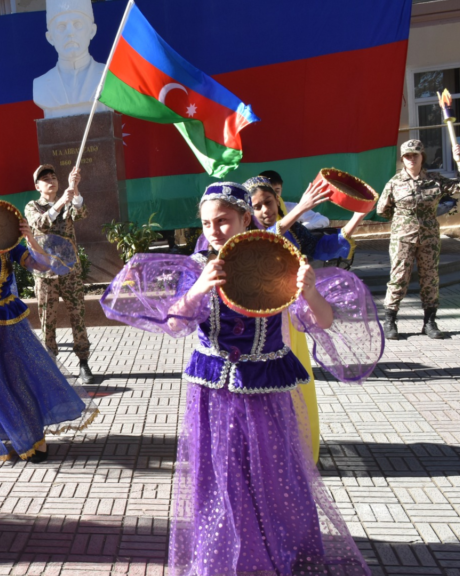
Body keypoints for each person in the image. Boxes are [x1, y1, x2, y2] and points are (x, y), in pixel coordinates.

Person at [101, 181, 383, 576]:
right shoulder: (197, 268)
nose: (215, 230)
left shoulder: (275, 261)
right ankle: (227, 563)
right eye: (207, 223)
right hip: (212, 391)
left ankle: (282, 556)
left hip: (265, 389)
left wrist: (311, 291)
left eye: (223, 221)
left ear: (245, 219)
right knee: (221, 477)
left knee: (275, 477)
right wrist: (198, 289)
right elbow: (174, 322)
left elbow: (321, 320)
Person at [0, 188, 98, 462]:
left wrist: (30, 238)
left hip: (7, 321)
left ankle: (36, 441)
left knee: (17, 377)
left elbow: (45, 266)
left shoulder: (8, 244)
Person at [247, 175, 371, 463]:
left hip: (292, 323)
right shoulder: (248, 232)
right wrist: (299, 209)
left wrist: (359, 215)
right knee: (266, 391)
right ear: (247, 211)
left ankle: (298, 455)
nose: (265, 210)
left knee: (297, 388)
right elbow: (263, 243)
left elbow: (326, 246)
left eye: (270, 202)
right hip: (261, 326)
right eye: (258, 205)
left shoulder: (293, 230)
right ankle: (267, 456)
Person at [377, 139, 460, 340]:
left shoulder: (435, 180)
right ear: (403, 159)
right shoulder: (394, 183)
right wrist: (404, 221)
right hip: (403, 238)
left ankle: (429, 322)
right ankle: (390, 321)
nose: (411, 158)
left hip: (429, 238)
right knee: (399, 277)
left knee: (430, 278)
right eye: (407, 156)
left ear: (422, 157)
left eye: (415, 155)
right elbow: (382, 210)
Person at [24, 164, 95, 383]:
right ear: (37, 186)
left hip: (70, 272)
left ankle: (83, 362)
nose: (51, 181)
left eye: (54, 177)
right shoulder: (32, 206)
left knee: (78, 317)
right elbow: (40, 224)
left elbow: (81, 212)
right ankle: (51, 362)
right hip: (46, 274)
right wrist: (62, 202)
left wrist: (75, 188)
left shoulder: (67, 203)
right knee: (48, 321)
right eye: (45, 179)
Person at [259, 170, 332, 230]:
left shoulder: (290, 207)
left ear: (281, 189)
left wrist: (300, 228)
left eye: (277, 191)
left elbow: (323, 220)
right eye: (269, 191)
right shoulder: (254, 214)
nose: (274, 196)